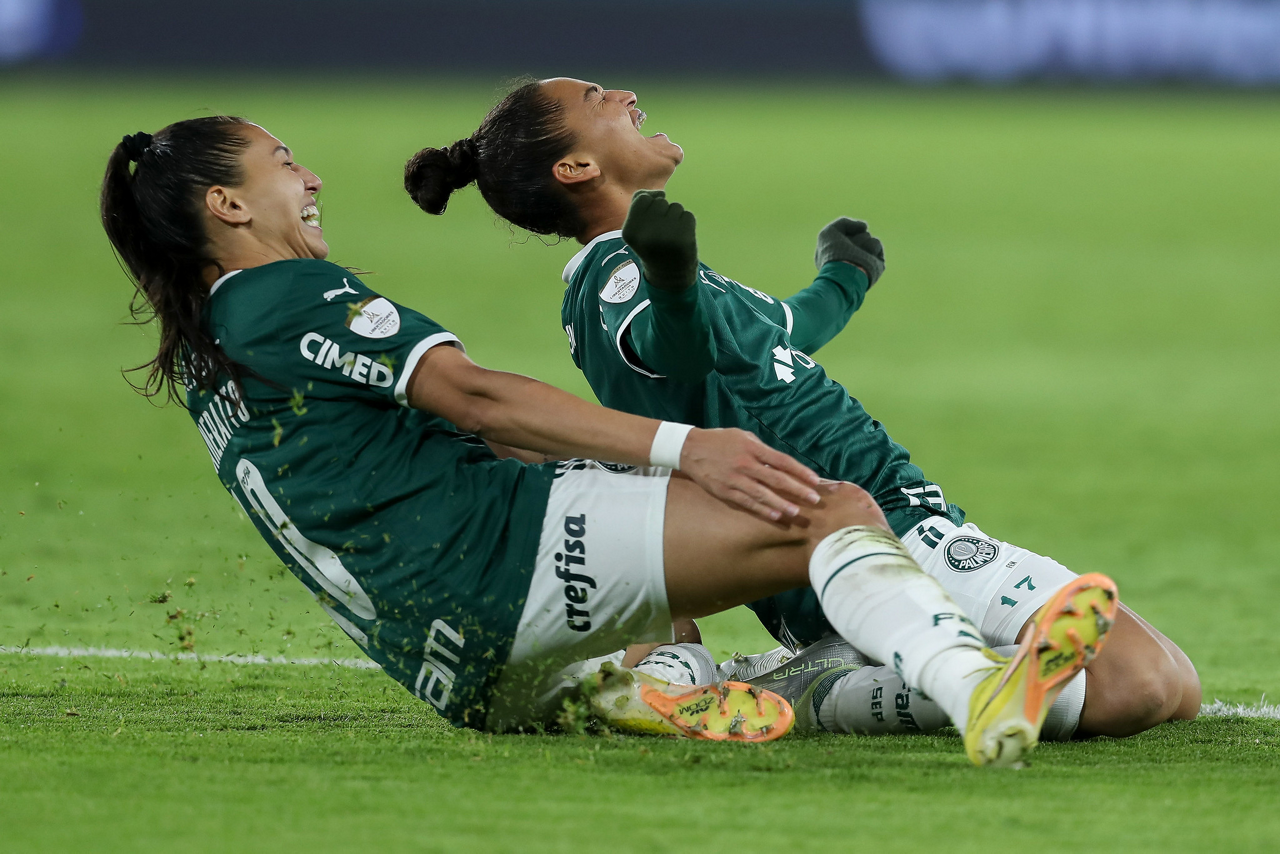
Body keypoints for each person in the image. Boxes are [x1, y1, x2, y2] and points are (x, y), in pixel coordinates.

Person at [100, 115, 1119, 766]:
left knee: (638, 552)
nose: (310, 174)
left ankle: (672, 683)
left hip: (448, 663)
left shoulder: (207, 360)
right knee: (825, 511)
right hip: (499, 562)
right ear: (226, 204)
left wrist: (830, 288)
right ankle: (969, 686)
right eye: (283, 162)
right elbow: (475, 397)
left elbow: (413, 452)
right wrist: (683, 447)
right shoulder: (282, 292)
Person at [402, 78, 1200, 741]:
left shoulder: (644, 265)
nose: (623, 94)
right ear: (577, 166)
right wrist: (672, 282)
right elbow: (670, 344)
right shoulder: (616, 274)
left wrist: (841, 281)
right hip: (866, 525)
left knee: (1177, 687)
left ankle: (844, 676)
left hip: (869, 526)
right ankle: (821, 692)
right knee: (1135, 684)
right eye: (596, 98)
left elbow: (776, 332)